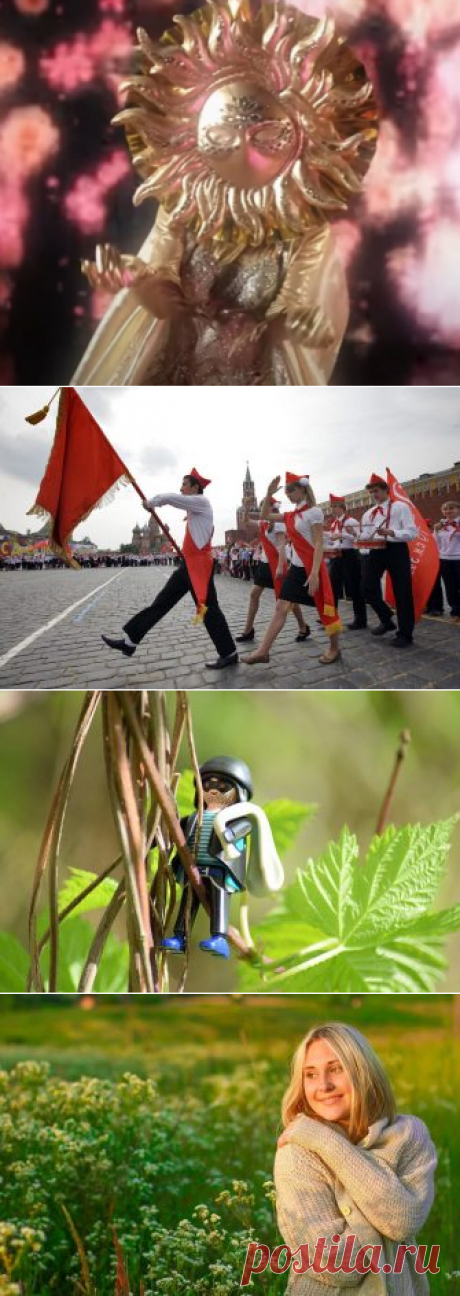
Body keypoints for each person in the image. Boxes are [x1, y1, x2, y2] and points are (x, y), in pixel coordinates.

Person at [72, 2, 378, 386]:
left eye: (268, 138)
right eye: (220, 138)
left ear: (302, 139)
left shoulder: (306, 232)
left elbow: (296, 312)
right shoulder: (182, 209)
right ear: (192, 134)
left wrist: (300, 325)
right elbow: (157, 274)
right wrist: (142, 286)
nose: (244, 155)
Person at [274, 1022, 437, 1296]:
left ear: (364, 1071)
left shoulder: (410, 1136)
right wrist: (384, 1202)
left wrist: (328, 1143)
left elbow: (403, 1221)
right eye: (310, 1075)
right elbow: (338, 1266)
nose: (323, 1085)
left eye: (336, 1069)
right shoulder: (297, 1153)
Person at [102, 469, 238, 670]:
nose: (181, 488)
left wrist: (152, 502)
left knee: (209, 609)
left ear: (195, 487)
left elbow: (170, 498)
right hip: (188, 566)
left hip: (198, 567)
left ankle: (229, 653)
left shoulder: (202, 502)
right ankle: (130, 641)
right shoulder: (194, 509)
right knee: (161, 603)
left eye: (184, 484)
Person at [160, 756, 283, 960]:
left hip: (220, 869)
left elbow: (243, 828)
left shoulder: (238, 819)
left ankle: (219, 938)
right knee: (188, 903)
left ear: (239, 793)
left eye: (223, 787)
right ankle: (180, 937)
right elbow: (174, 832)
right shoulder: (193, 818)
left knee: (219, 903)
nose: (213, 791)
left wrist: (229, 834)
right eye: (207, 785)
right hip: (194, 868)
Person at [242, 473, 342, 667]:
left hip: (311, 568)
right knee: (280, 607)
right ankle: (263, 651)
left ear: (302, 489)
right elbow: (263, 516)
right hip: (296, 568)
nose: (288, 494)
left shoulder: (314, 513)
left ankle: (334, 648)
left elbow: (319, 543)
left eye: (291, 490)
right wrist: (269, 492)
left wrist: (313, 573)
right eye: (286, 490)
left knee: (326, 609)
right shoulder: (291, 515)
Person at [236, 500, 310, 645]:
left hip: (276, 564)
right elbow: (246, 521)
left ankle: (303, 626)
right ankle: (248, 629)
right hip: (265, 564)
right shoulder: (264, 522)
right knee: (254, 594)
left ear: (271, 507)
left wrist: (281, 567)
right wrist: (245, 508)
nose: (261, 508)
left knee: (289, 599)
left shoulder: (279, 523)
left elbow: (282, 545)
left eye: (264, 506)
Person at [359, 474, 418, 648]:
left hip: (396, 549)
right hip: (376, 550)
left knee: (402, 591)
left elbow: (412, 532)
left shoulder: (401, 507)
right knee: (366, 587)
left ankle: (405, 634)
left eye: (376, 491)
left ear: (385, 489)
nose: (374, 495)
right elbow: (365, 534)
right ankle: (386, 618)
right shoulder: (368, 513)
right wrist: (357, 535)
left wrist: (392, 533)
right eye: (371, 493)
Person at [326, 494, 367, 630]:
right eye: (331, 507)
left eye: (335, 507)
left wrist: (343, 534)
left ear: (342, 508)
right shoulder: (333, 523)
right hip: (336, 555)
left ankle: (360, 620)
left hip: (349, 555)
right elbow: (334, 540)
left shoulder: (351, 521)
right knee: (332, 587)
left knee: (354, 588)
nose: (332, 509)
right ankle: (330, 617)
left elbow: (358, 539)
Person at [434, 500, 460, 620]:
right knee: (450, 587)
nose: (448, 511)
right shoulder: (440, 526)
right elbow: (436, 543)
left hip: (458, 558)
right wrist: (436, 530)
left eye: (451, 508)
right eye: (445, 509)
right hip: (444, 559)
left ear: (458, 510)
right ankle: (455, 611)